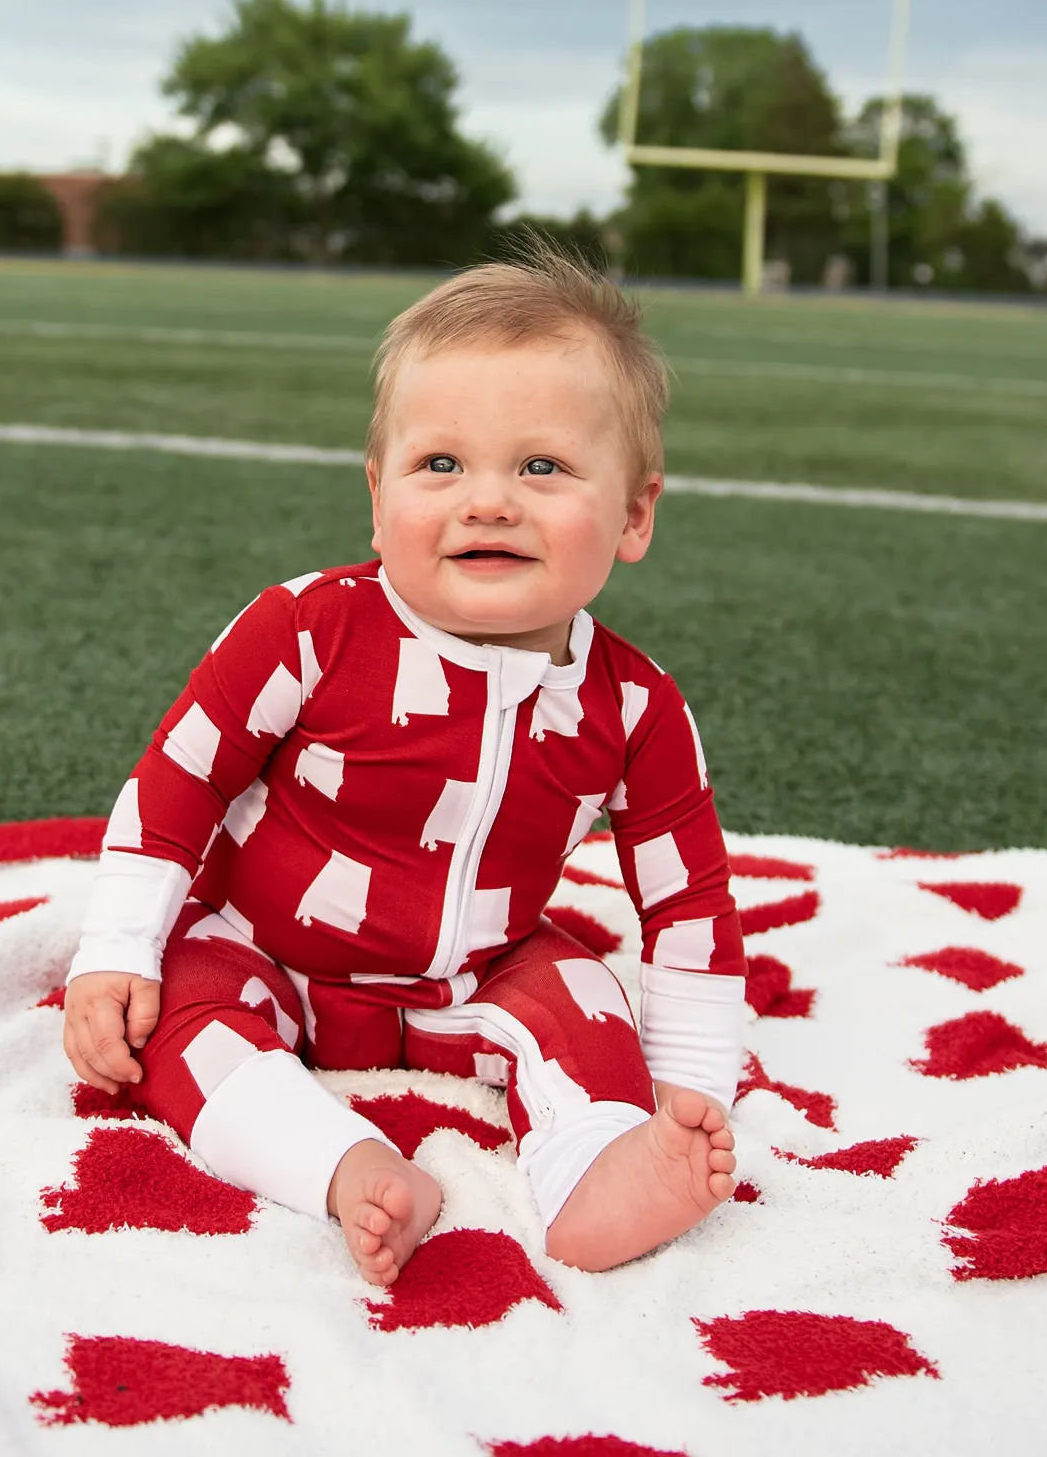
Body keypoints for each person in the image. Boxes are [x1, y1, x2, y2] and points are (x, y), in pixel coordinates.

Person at [61, 247, 746, 1284]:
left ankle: (600, 1173)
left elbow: (688, 900)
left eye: (541, 466)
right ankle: (343, 1165)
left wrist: (694, 1090)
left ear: (635, 512)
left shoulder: (634, 705)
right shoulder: (306, 626)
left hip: (473, 978)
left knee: (582, 996)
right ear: (377, 495)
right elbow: (177, 781)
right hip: (266, 953)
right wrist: (117, 943)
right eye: (441, 465)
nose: (488, 501)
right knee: (174, 1015)